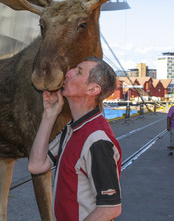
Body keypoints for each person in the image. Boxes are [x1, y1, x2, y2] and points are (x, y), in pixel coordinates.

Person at [28, 57, 121, 221]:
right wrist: (49, 115)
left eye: (78, 72)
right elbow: (36, 165)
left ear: (92, 90)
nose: (68, 73)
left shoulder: (97, 140)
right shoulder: (72, 129)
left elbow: (110, 208)